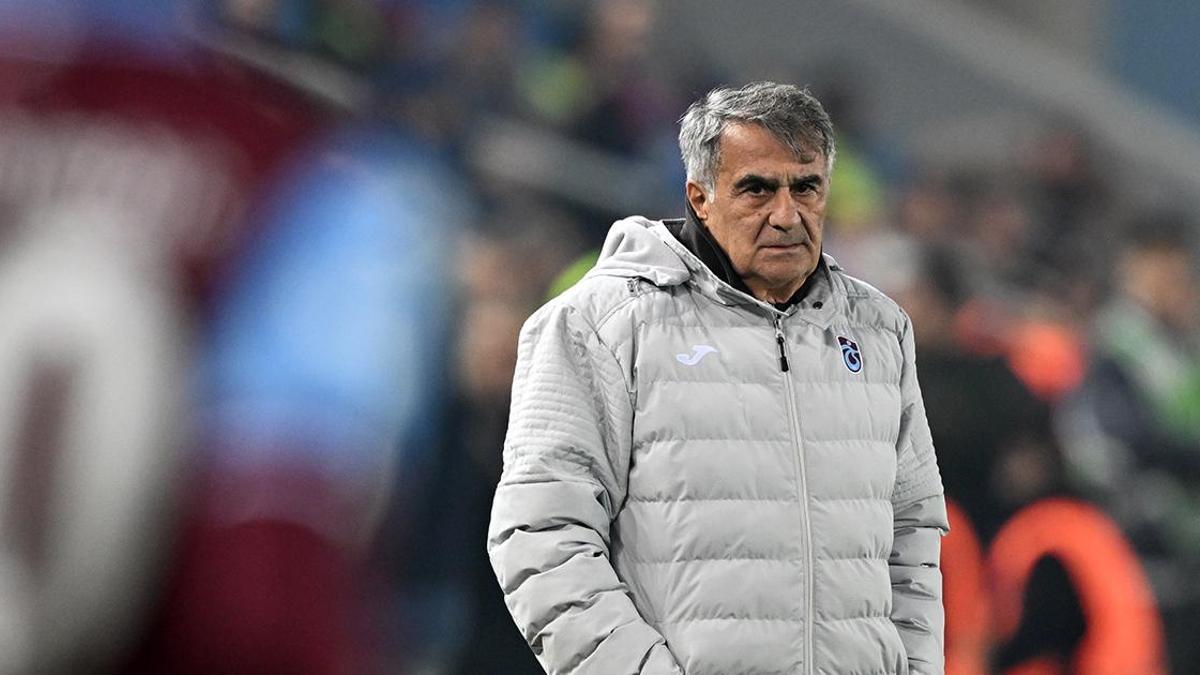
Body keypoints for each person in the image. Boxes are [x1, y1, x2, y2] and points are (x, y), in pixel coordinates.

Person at [488, 81, 948, 675]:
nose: (786, 214)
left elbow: (912, 541)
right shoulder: (598, 325)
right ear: (699, 197)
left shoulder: (879, 331)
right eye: (757, 189)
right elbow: (541, 535)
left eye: (805, 187)